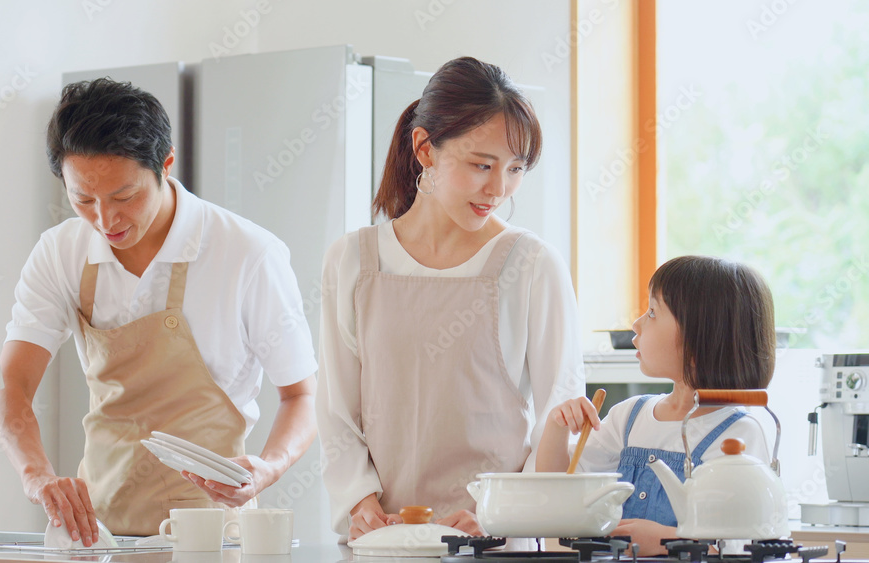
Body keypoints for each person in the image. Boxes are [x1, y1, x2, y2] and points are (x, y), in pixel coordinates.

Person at [0, 78, 318, 543]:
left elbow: (302, 396)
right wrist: (36, 476)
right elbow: (12, 385)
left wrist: (269, 467)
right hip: (99, 535)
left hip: (212, 535)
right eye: (83, 199)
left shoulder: (247, 253)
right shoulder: (61, 251)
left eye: (124, 197)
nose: (105, 220)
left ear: (165, 164)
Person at [316, 56, 584, 540]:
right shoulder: (352, 261)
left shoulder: (532, 265)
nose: (498, 189)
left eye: (515, 169)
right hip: (382, 539)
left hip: (496, 542)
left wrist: (500, 515)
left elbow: (558, 417)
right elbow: (336, 408)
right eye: (481, 165)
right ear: (425, 149)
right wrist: (361, 503)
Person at [536, 255, 776, 554]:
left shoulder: (740, 434)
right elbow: (558, 493)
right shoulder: (630, 417)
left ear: (698, 339)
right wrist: (557, 427)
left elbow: (739, 550)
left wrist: (668, 542)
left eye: (651, 312)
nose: (636, 324)